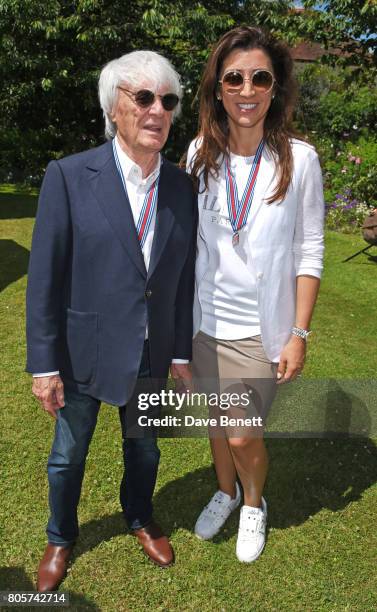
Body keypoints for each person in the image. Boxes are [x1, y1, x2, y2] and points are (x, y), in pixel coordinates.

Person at [26, 50, 196, 590]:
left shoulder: (181, 186)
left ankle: (140, 516)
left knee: (145, 446)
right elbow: (45, 278)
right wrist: (44, 364)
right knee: (68, 454)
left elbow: (182, 276)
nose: (157, 111)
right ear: (113, 108)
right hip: (83, 348)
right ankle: (60, 535)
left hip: (151, 348)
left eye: (166, 101)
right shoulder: (70, 176)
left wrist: (179, 352)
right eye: (142, 97)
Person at [186, 26, 324, 563]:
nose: (247, 89)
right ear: (218, 89)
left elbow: (310, 251)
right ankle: (223, 491)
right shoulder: (201, 152)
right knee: (218, 424)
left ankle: (252, 502)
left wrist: (298, 333)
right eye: (234, 78)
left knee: (243, 435)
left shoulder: (300, 159)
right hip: (204, 323)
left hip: (258, 329)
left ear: (275, 87)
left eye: (259, 77)